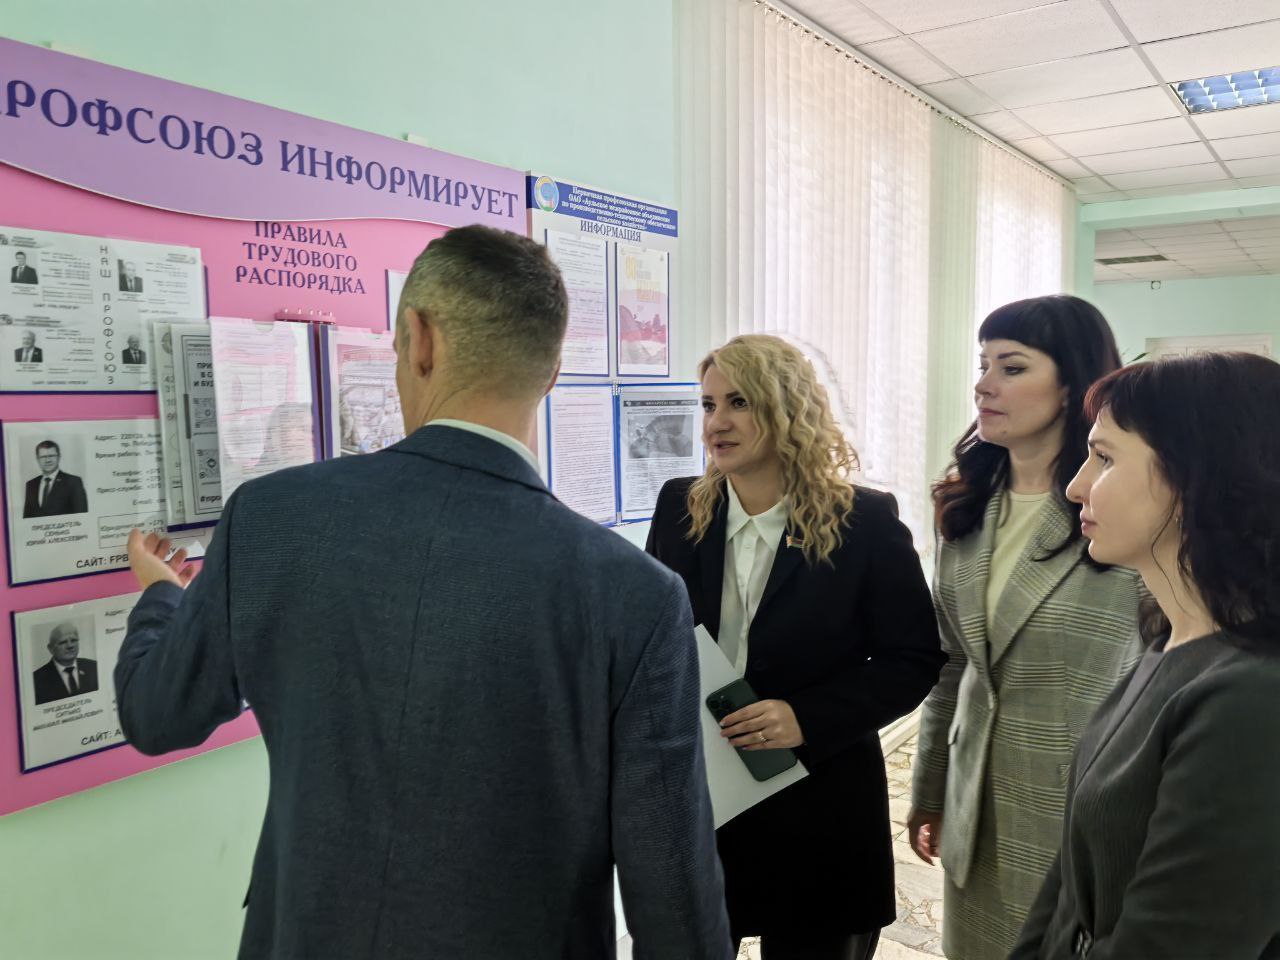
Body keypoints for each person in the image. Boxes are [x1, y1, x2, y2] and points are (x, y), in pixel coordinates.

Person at [113, 225, 732, 960]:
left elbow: (156, 714)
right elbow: (671, 895)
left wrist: (162, 598)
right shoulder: (634, 593)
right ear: (552, 373)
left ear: (420, 339)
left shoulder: (271, 517)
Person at [646, 334, 944, 960]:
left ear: (788, 409)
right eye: (708, 404)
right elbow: (655, 635)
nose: (716, 423)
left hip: (819, 803)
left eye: (739, 402)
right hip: (704, 797)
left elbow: (912, 659)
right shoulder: (679, 507)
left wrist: (805, 716)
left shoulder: (863, 521)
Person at [1011, 352, 1280, 958]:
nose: (1076, 486)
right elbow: (1072, 879)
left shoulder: (1253, 698)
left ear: (1192, 479)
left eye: (1104, 458)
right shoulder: (1168, 643)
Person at [908, 295, 1143, 959]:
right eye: (982, 365)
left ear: (1072, 384)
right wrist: (930, 788)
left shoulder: (1123, 512)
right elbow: (953, 663)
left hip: (1075, 809)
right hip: (975, 803)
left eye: (1011, 367)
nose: (984, 385)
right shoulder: (965, 506)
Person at [32, 623, 99, 705]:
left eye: (73, 640)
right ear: (50, 648)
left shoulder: (94, 667)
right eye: (63, 642)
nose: (70, 646)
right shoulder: (37, 680)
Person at [22, 440, 89, 518]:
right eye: (43, 457)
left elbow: (82, 517)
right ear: (37, 459)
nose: (48, 460)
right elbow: (27, 517)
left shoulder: (73, 482)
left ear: (59, 457)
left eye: (51, 456)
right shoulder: (30, 484)